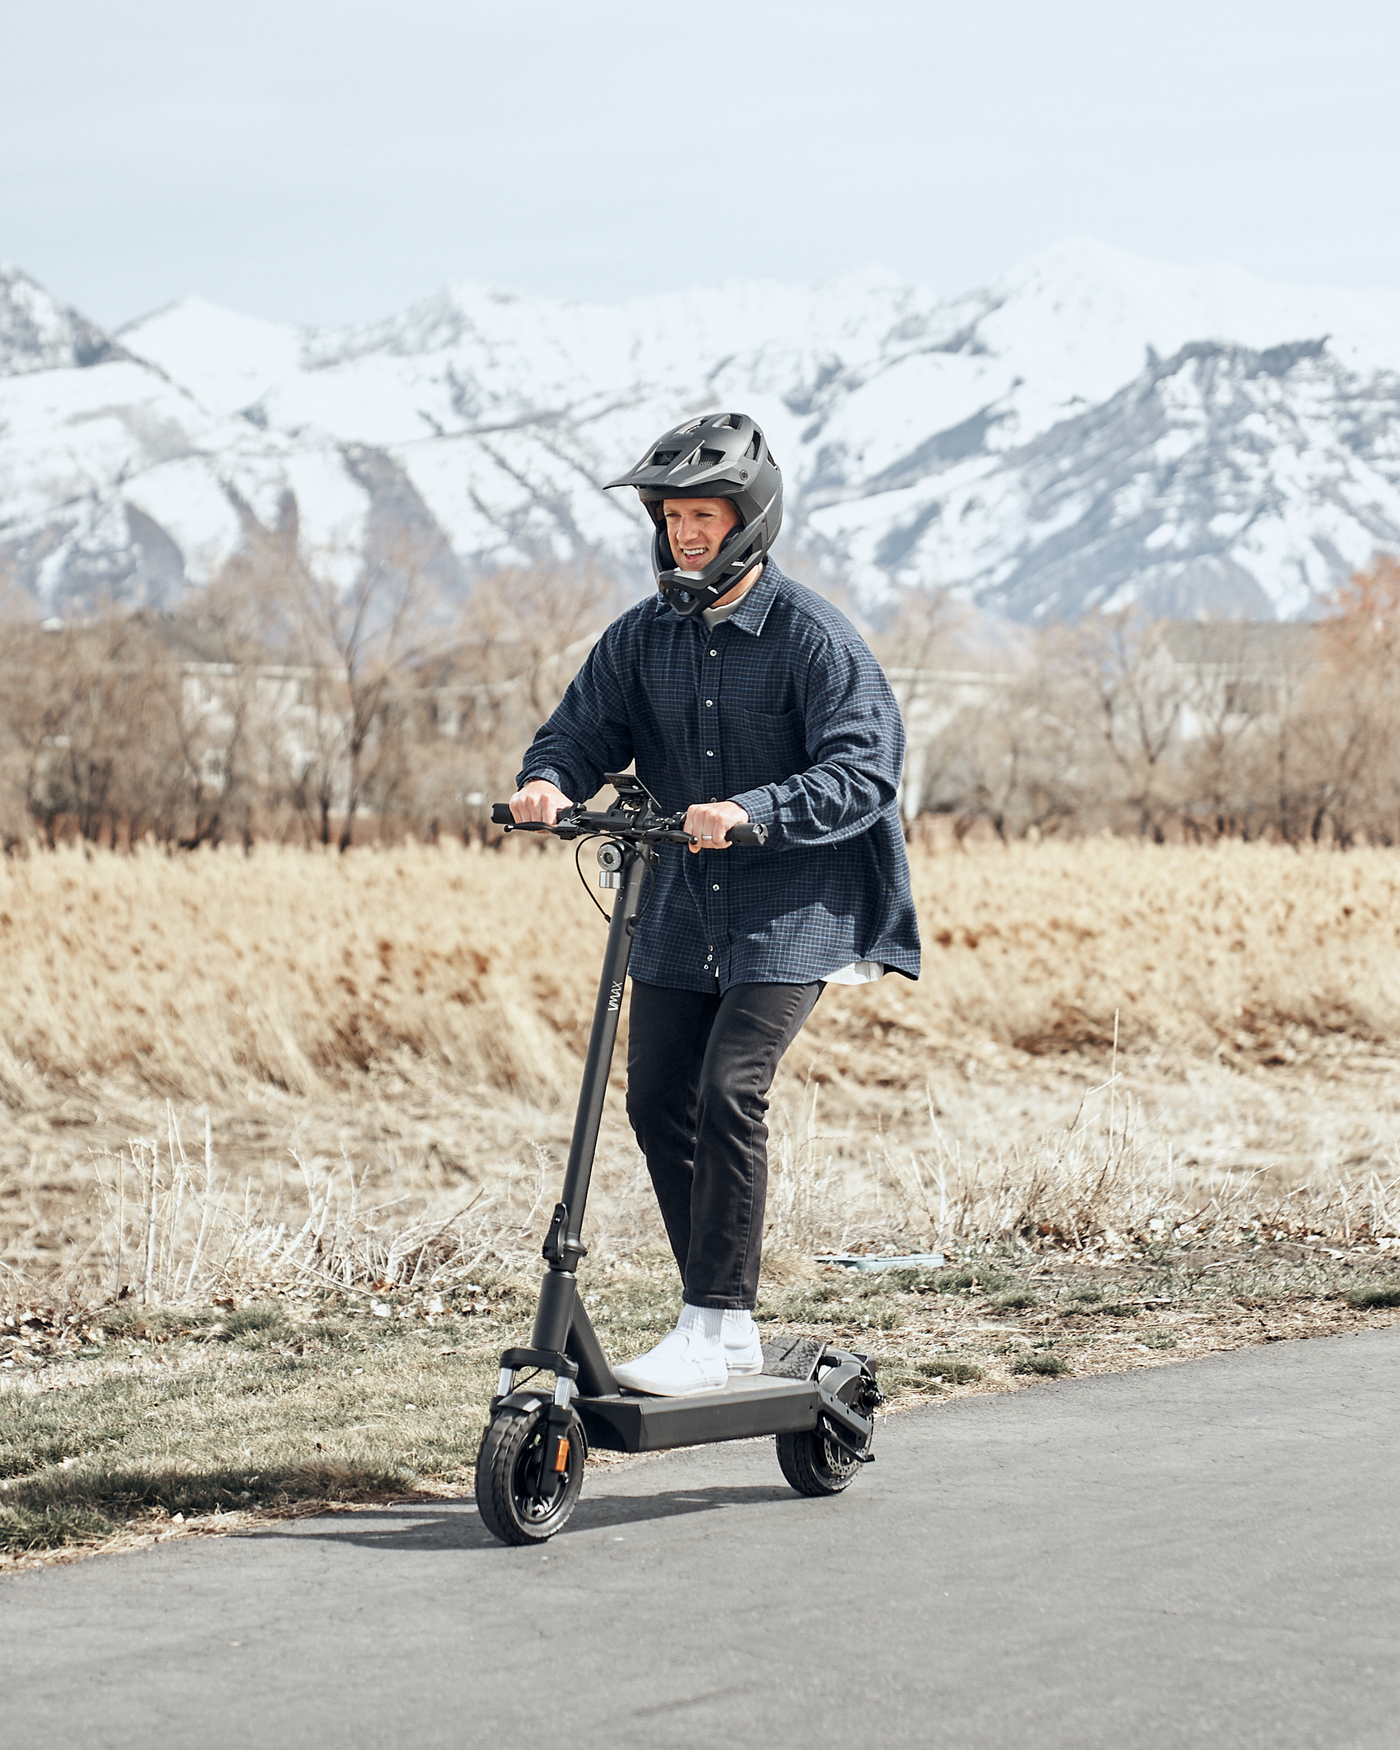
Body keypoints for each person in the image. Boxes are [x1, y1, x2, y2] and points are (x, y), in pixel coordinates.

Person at [510, 411, 920, 1395]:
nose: (684, 532)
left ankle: (714, 1320)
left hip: (795, 905)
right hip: (682, 907)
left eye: (702, 513)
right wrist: (548, 781)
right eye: (670, 515)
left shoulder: (810, 636)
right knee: (655, 1097)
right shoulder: (641, 637)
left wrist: (753, 809)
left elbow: (867, 768)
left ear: (746, 518)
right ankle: (721, 1321)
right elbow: (578, 729)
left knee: (728, 1089)